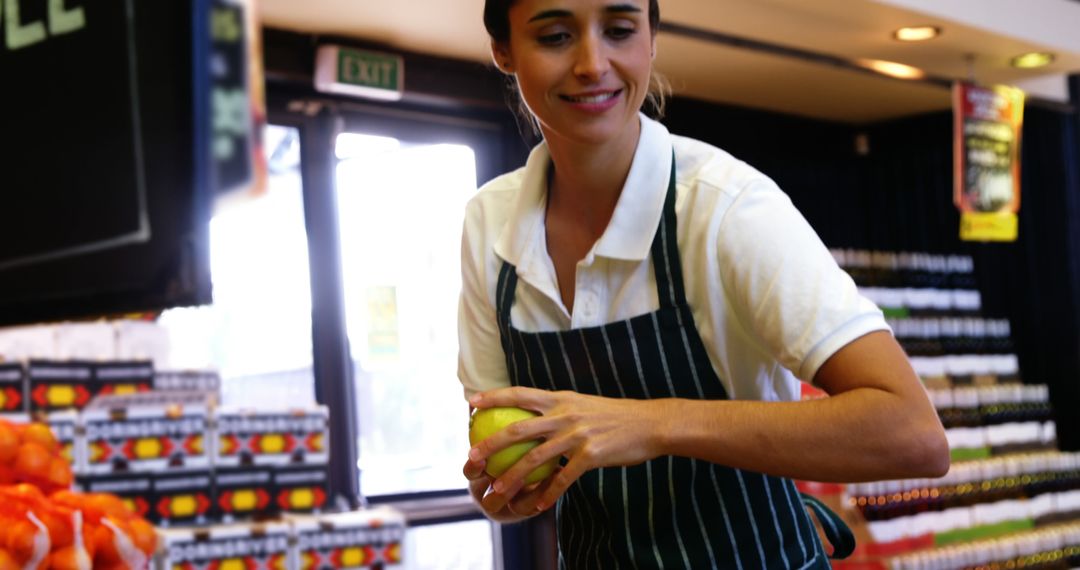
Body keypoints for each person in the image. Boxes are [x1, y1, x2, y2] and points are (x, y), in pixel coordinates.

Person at [458, 0, 950, 567]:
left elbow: (912, 432)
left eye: (620, 31)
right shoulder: (488, 224)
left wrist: (657, 423)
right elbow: (491, 427)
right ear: (504, 51)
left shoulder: (726, 208)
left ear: (652, 41)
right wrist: (505, 484)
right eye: (555, 36)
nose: (593, 63)